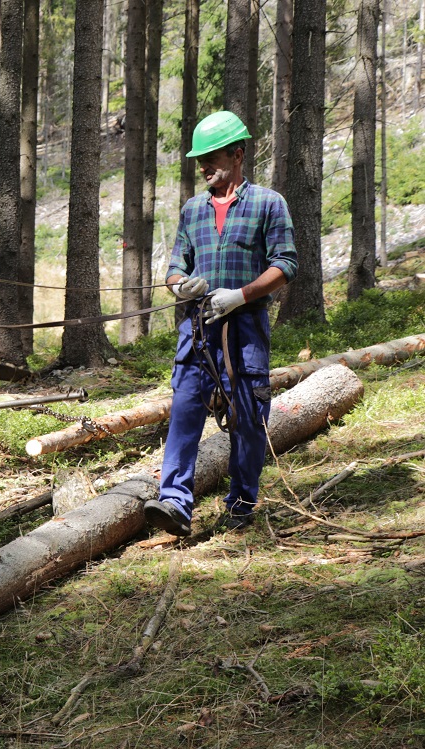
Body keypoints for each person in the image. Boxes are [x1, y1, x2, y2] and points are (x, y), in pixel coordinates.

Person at [143, 111, 298, 537]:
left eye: (211, 157)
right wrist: (181, 287)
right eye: (200, 160)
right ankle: (174, 503)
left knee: (249, 419)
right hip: (197, 332)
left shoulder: (269, 203)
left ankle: (242, 504)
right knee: (185, 413)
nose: (204, 166)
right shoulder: (193, 210)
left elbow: (285, 264)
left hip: (246, 331)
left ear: (238, 153)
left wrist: (240, 296)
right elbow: (176, 266)